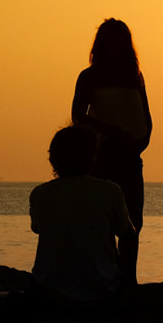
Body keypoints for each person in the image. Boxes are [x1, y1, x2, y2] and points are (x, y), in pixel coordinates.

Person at [71, 19, 151, 286]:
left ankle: (129, 278)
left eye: (120, 42)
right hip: (102, 156)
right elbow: (78, 116)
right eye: (111, 42)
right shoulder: (89, 76)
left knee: (133, 222)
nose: (116, 47)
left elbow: (146, 116)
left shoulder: (135, 77)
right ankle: (106, 276)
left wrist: (141, 140)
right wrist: (111, 132)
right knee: (103, 221)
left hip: (131, 156)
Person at [29, 126, 135, 309]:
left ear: (52, 158)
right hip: (101, 290)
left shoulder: (40, 194)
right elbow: (127, 234)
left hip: (50, 291)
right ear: (93, 156)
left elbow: (38, 228)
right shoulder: (110, 191)